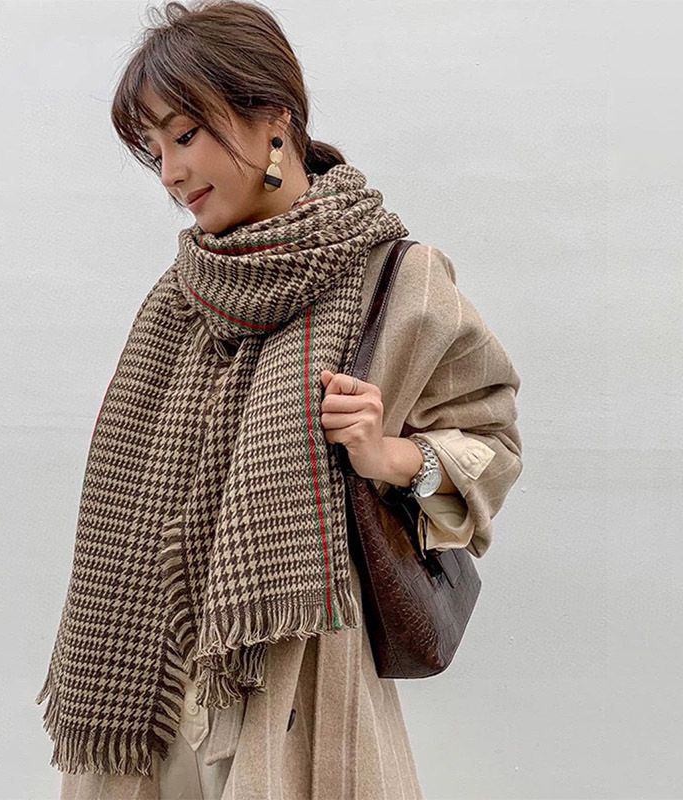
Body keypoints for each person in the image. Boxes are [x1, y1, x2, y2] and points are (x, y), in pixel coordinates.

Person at [35, 2, 524, 798]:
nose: (170, 173)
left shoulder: (397, 280)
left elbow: (493, 452)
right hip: (151, 706)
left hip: (296, 695)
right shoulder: (178, 298)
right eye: (154, 149)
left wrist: (390, 455)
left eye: (186, 134)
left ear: (273, 120)